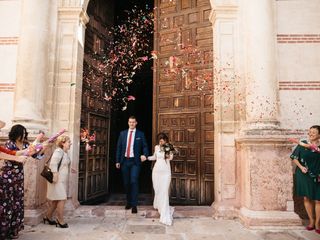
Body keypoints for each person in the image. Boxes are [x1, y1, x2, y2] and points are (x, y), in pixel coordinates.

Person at [0, 121, 29, 240]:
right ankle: (5, 230)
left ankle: (13, 229)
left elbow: (11, 153)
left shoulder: (25, 144)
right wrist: (17, 158)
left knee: (16, 202)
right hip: (8, 176)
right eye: (21, 133)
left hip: (18, 177)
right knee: (7, 202)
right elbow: (6, 155)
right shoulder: (9, 143)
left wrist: (41, 145)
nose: (23, 135)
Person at [290, 125, 320, 234]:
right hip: (304, 174)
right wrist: (301, 167)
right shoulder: (303, 143)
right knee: (307, 198)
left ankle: (317, 223)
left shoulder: (318, 146)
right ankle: (311, 222)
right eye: (310, 132)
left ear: (319, 135)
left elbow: (313, 149)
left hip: (317, 174)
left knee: (318, 199)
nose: (310, 134)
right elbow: (294, 157)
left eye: (314, 132)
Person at [116, 116, 148, 213]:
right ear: (128, 122)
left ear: (136, 123)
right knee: (126, 183)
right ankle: (128, 202)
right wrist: (117, 161)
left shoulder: (140, 134)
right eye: (130, 122)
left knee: (133, 181)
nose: (132, 124)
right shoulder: (122, 134)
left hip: (135, 162)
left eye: (133, 122)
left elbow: (145, 146)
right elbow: (119, 148)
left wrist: (145, 155)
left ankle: (134, 205)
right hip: (125, 161)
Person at [45, 135, 75, 228]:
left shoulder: (64, 152)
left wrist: (71, 169)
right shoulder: (58, 152)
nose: (70, 143)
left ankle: (48, 217)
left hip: (60, 180)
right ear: (63, 143)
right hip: (56, 180)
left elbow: (63, 164)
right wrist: (55, 176)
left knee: (56, 200)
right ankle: (60, 220)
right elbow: (53, 164)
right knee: (62, 198)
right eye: (68, 142)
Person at [145, 132, 174, 225]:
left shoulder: (169, 146)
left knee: (164, 191)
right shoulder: (156, 147)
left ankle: (164, 211)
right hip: (156, 171)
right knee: (157, 190)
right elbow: (154, 157)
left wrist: (167, 151)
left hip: (166, 172)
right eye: (160, 139)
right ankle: (159, 205)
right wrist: (146, 158)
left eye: (162, 139)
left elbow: (171, 158)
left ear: (165, 140)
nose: (161, 141)